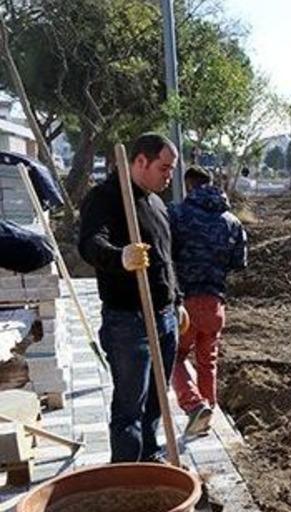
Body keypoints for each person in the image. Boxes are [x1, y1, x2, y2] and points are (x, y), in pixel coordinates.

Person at [78, 133, 185, 463]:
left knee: (156, 399)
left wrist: (177, 300)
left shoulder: (156, 203)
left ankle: (150, 457)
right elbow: (90, 243)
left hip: (165, 316)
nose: (169, 177)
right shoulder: (106, 198)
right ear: (140, 161)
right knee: (129, 405)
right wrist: (120, 257)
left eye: (171, 169)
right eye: (164, 168)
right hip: (128, 321)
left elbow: (166, 257)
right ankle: (126, 473)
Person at [169, 166, 248, 437]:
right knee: (207, 361)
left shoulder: (177, 214)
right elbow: (239, 262)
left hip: (184, 302)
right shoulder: (232, 221)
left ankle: (194, 405)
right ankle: (208, 413)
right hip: (215, 303)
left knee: (173, 356)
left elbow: (163, 251)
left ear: (188, 185)